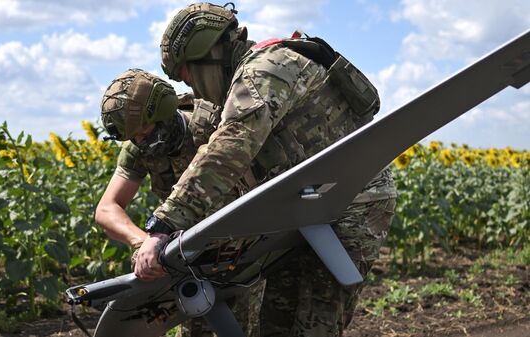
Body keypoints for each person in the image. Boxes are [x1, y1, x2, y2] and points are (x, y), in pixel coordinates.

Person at [135, 2, 398, 336]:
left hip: (350, 205)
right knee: (276, 321)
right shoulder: (246, 79)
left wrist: (163, 224)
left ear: (209, 55)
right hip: (306, 208)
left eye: (187, 74)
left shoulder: (265, 70)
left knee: (313, 321)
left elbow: (228, 150)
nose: (192, 88)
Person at [96, 68, 249, 336]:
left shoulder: (214, 125)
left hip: (244, 253)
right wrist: (144, 241)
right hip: (189, 259)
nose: (140, 143)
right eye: (134, 138)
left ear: (163, 114)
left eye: (144, 133)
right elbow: (107, 209)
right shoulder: (137, 145)